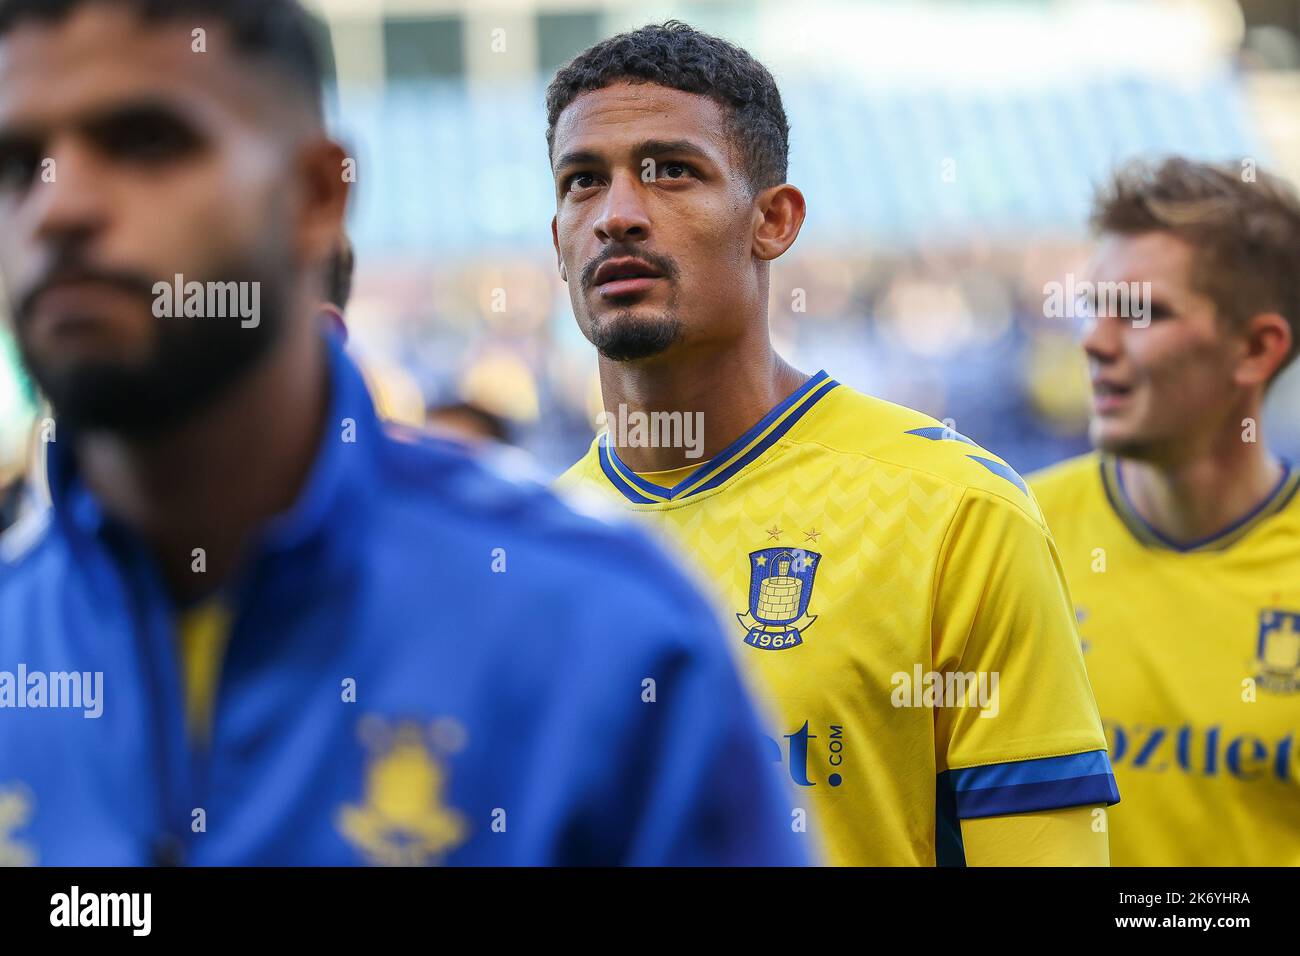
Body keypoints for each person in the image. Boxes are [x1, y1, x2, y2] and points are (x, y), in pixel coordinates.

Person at [0, 0, 804, 867]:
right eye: (15, 164)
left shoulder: (608, 634)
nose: (60, 207)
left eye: (145, 142)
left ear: (314, 196)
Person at [551, 21, 1117, 866]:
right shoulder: (538, 550)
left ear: (772, 220)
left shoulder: (956, 511)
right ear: (558, 237)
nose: (617, 216)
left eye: (672, 171)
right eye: (583, 181)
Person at [1030, 158, 1300, 865]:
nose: (1094, 340)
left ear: (1256, 348)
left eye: (1141, 312)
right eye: (1095, 307)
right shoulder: (1015, 532)